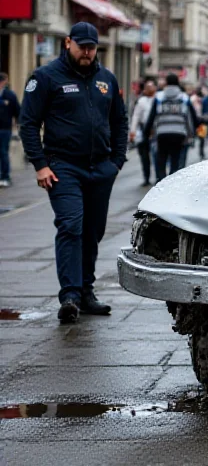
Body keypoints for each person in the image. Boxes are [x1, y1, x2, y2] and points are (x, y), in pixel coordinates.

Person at [18, 22, 128, 323]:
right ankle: (69, 296)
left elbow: (120, 120)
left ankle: (86, 292)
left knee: (93, 232)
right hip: (62, 166)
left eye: (92, 47)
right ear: (68, 43)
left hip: (100, 168)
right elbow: (28, 123)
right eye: (82, 46)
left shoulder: (106, 79)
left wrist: (116, 161)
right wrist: (40, 164)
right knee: (71, 225)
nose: (88, 52)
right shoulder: (46, 77)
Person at [143, 73, 198, 182]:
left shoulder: (158, 97)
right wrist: (191, 134)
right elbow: (192, 118)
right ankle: (172, 185)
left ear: (166, 83)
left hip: (162, 134)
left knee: (161, 160)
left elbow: (151, 117)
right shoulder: (184, 98)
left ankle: (161, 182)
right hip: (179, 134)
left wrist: (146, 133)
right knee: (175, 161)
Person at [129, 79, 157, 186]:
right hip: (144, 132)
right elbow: (136, 116)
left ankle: (159, 176)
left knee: (156, 157)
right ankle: (146, 177)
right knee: (145, 157)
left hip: (156, 133)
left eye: (151, 87)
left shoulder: (158, 99)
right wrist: (133, 131)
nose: (149, 89)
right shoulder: (141, 101)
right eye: (147, 87)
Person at [0, 72, 21, 187]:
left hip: (4, 129)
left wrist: (19, 126)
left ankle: (5, 176)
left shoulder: (9, 95)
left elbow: (17, 111)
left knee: (3, 152)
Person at [190, 87, 207, 160]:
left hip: (201, 120)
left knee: (202, 137)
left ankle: (201, 152)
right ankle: (194, 144)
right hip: (194, 119)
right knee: (195, 135)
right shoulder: (193, 98)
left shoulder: (204, 99)